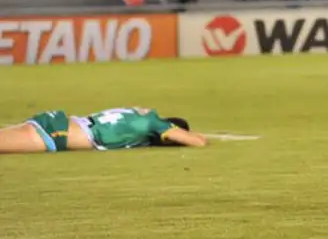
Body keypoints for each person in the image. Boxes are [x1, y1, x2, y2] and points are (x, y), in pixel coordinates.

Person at [0, 107, 208, 153]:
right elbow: (199, 142)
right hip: (58, 135)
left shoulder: (140, 114)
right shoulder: (154, 124)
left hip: (59, 124)